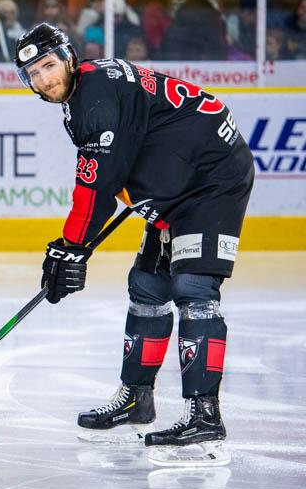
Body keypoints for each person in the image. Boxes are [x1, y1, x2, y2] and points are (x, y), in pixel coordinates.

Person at [13, 23, 254, 464]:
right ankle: (137, 400)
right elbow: (119, 167)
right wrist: (75, 245)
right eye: (33, 73)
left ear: (68, 58)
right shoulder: (88, 90)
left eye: (48, 65)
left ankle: (205, 415)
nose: (44, 79)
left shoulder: (93, 99)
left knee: (194, 290)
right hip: (179, 181)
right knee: (147, 286)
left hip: (211, 180)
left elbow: (96, 189)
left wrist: (71, 246)